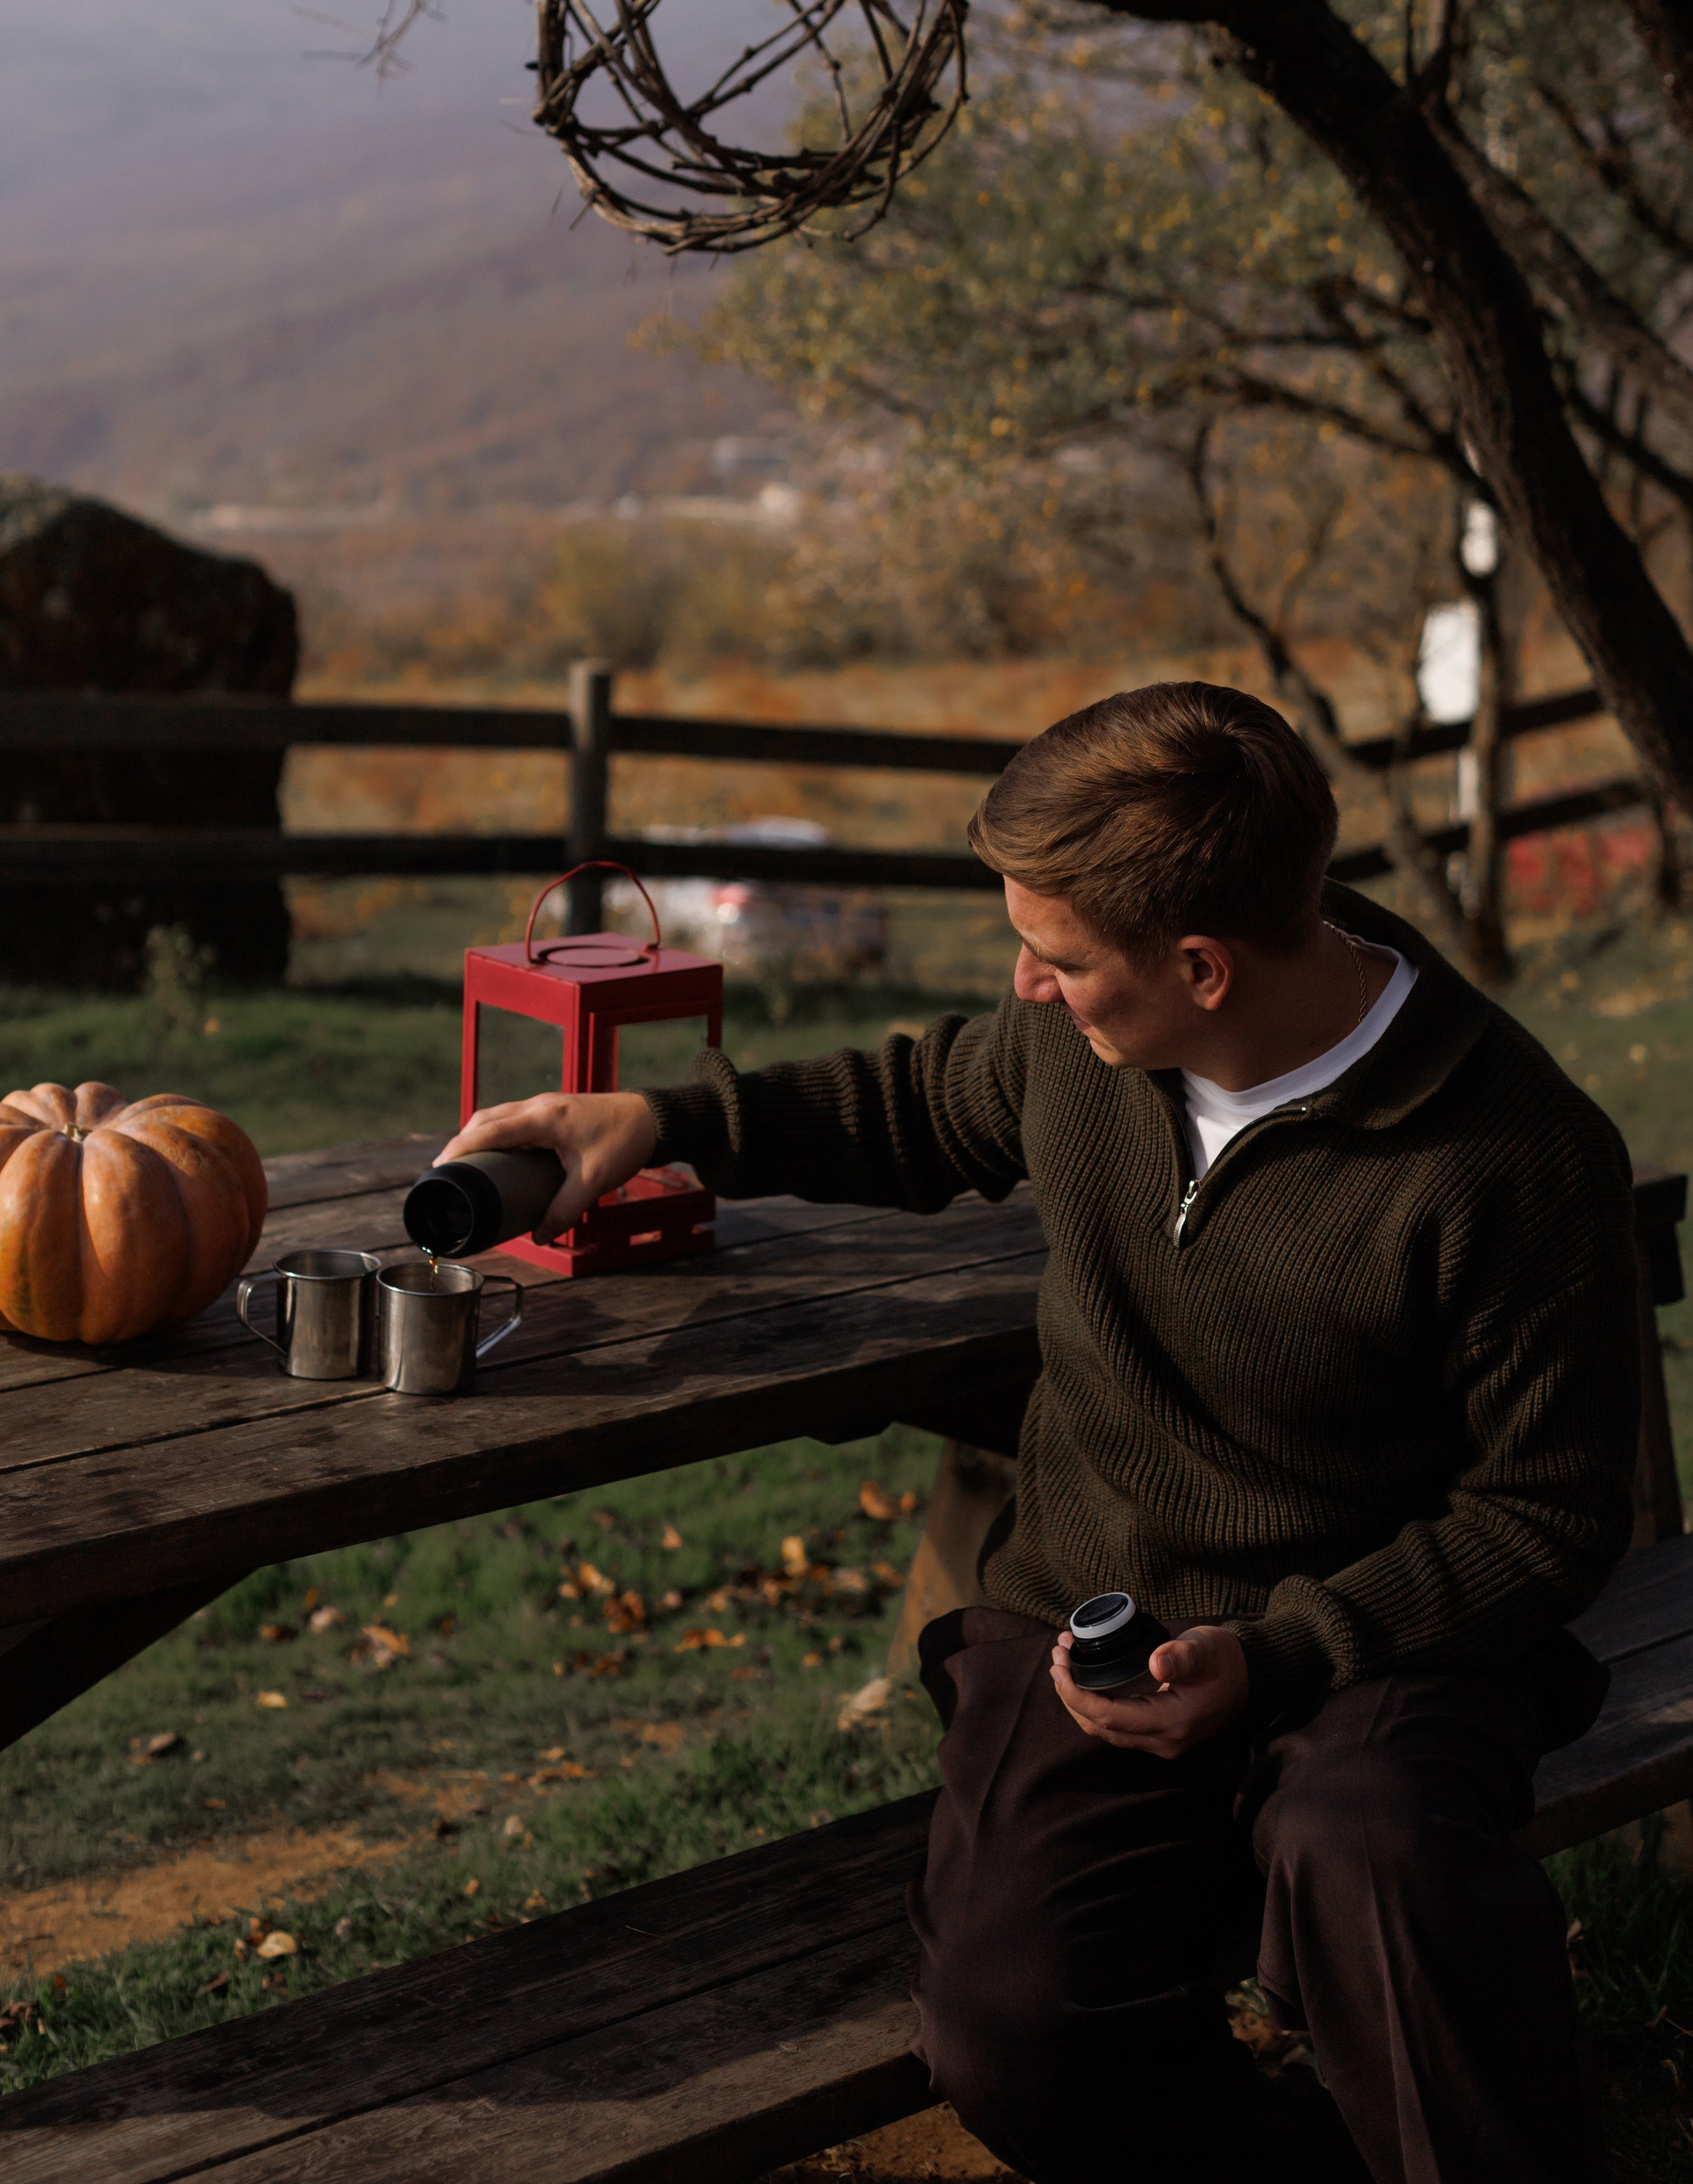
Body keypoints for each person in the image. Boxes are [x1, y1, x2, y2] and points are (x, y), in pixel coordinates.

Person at [443, 681, 1638, 2184]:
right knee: (1011, 2027)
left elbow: (1547, 1514)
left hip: (1381, 1634)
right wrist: (666, 1123)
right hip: (1094, 1605)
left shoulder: (1508, 1158)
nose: (1023, 986)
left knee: (1374, 1867)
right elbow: (913, 1103)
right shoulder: (1081, 1053)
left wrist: (1283, 1653)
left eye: (1056, 955)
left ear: (1200, 965)